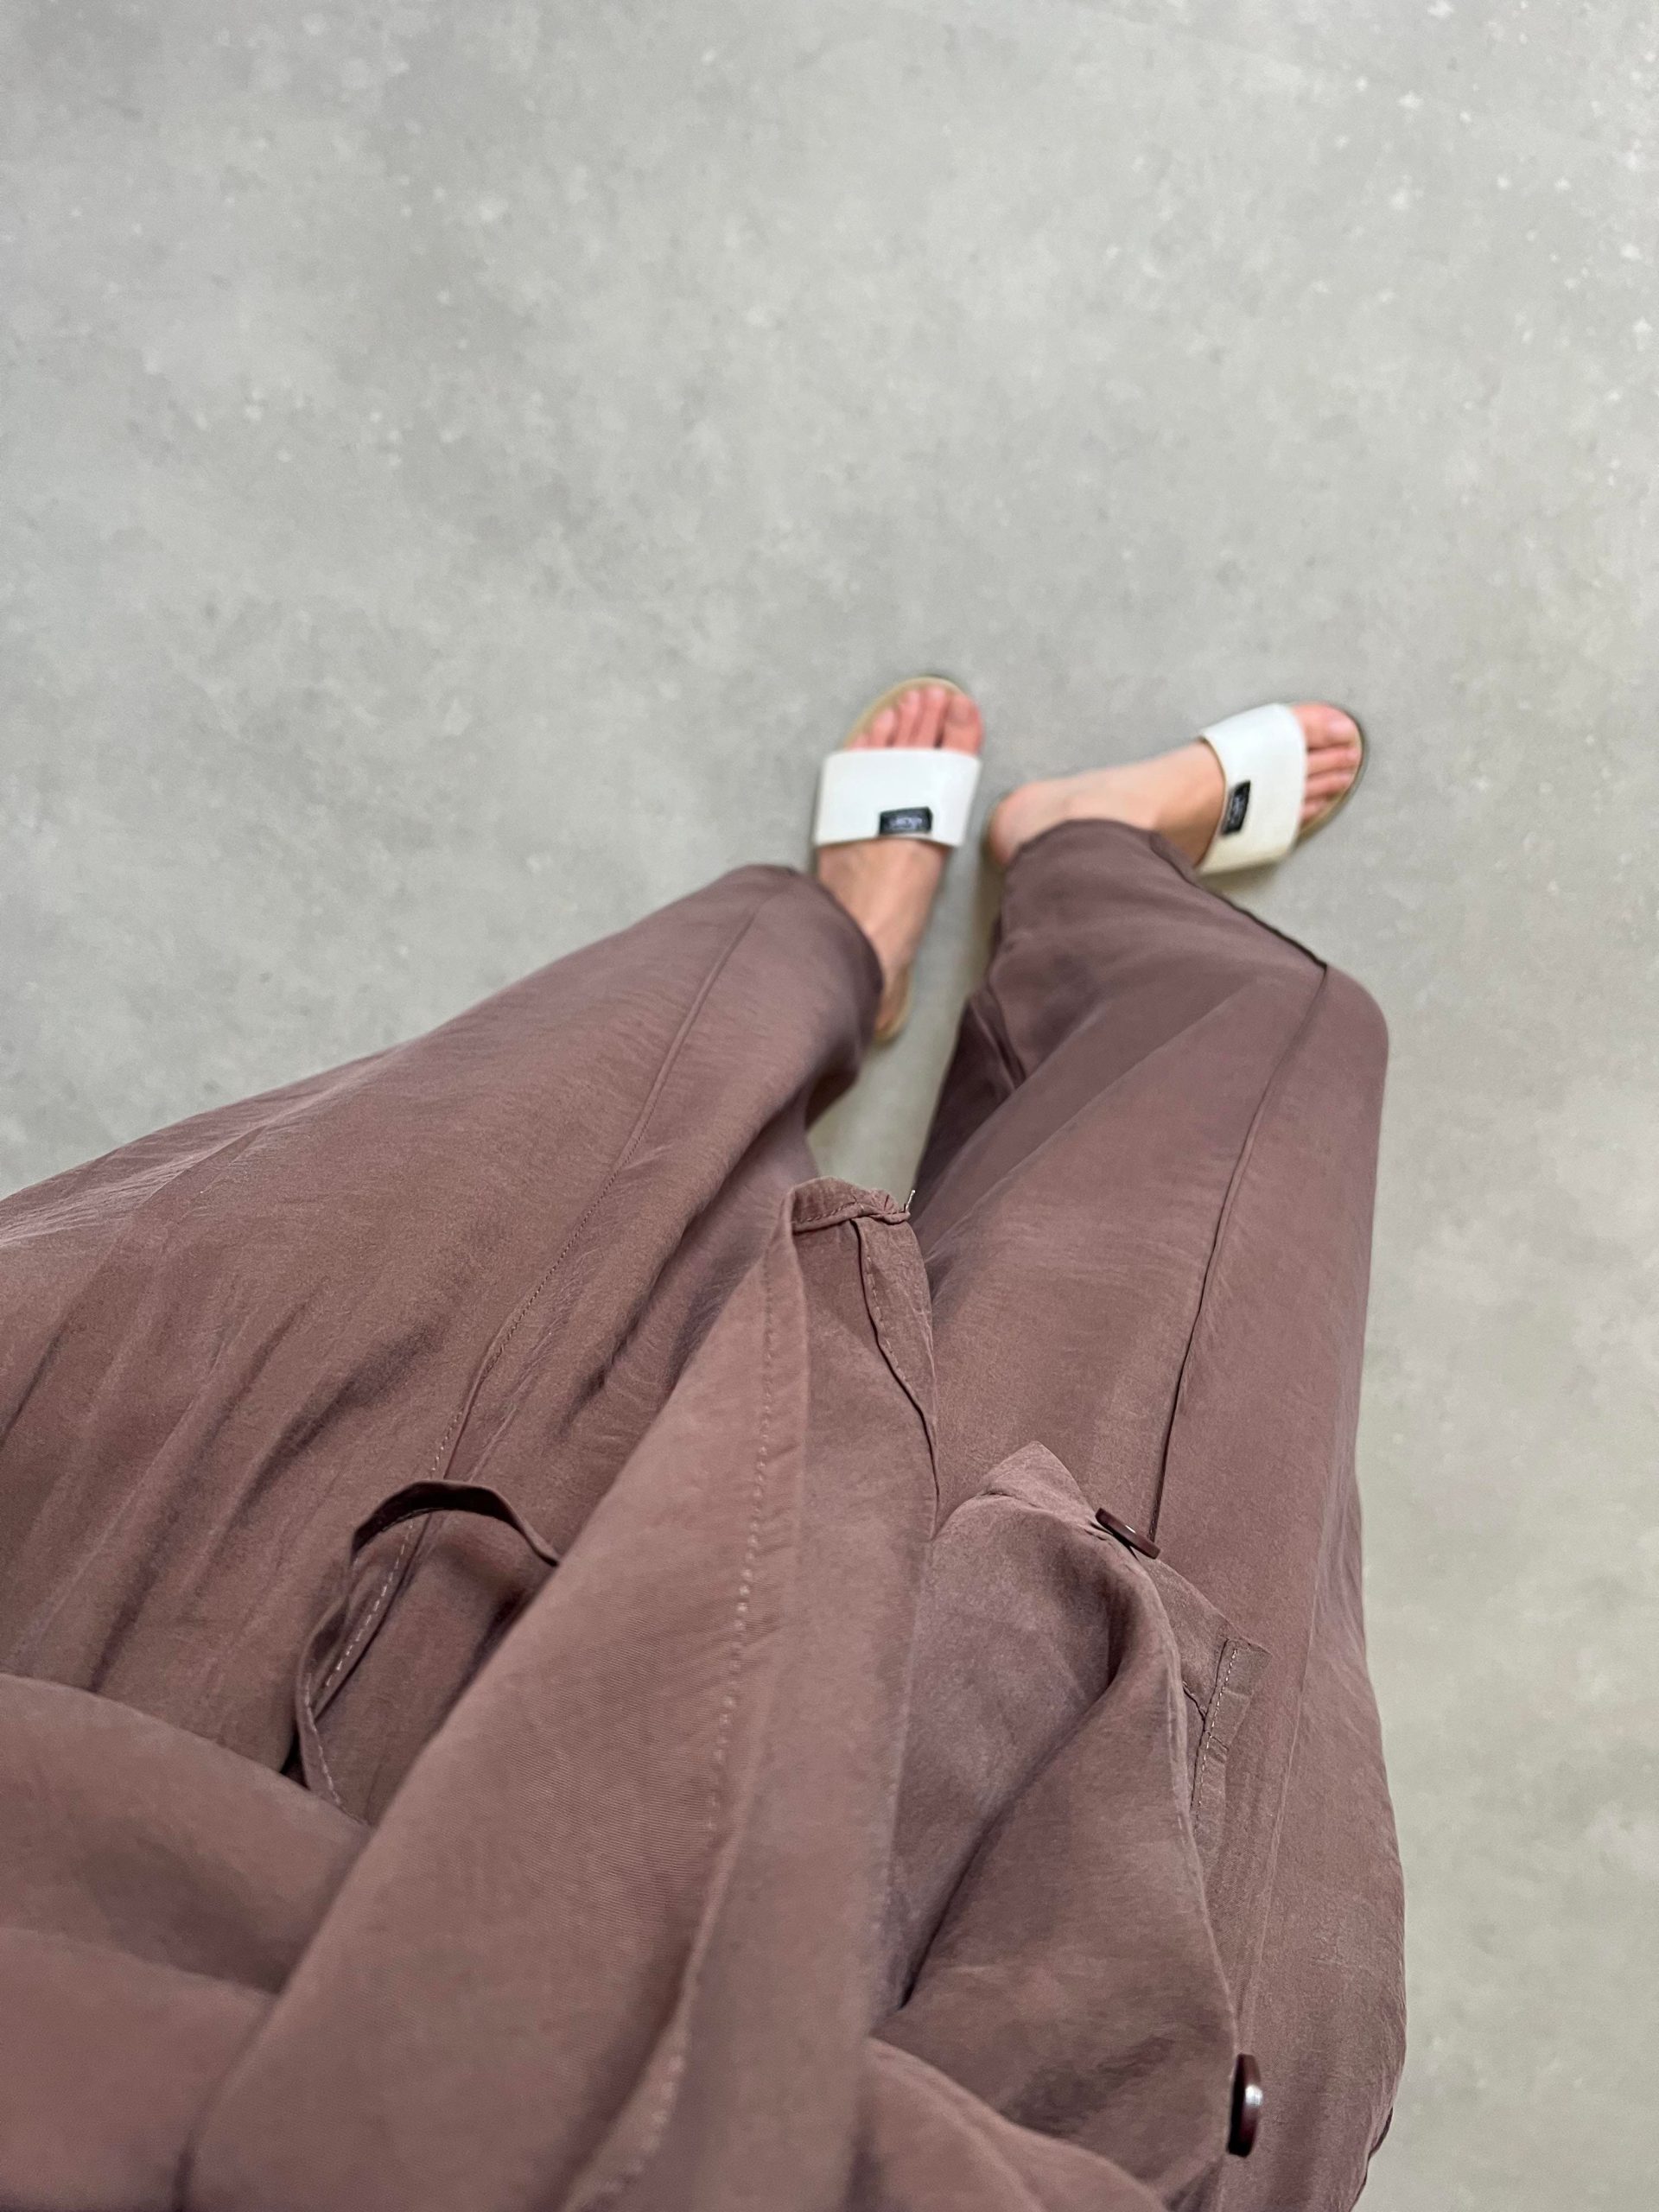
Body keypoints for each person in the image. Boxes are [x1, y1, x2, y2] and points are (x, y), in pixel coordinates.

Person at [0, 682, 1404, 2212]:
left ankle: (838, 943)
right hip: (972, 2065)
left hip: (91, 1755)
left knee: (566, 1115)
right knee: (1228, 1158)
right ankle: (1096, 869)